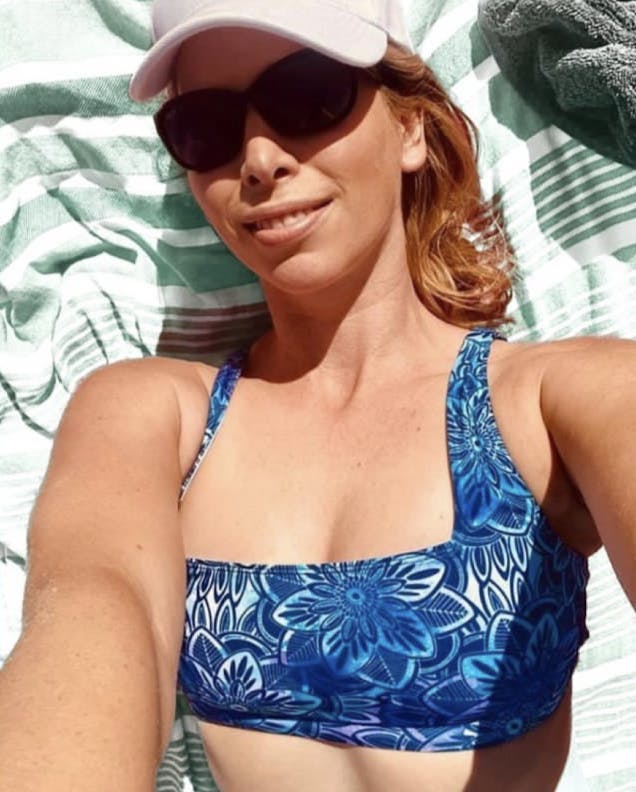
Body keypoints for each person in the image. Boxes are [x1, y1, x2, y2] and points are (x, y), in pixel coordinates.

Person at [0, 1, 634, 790]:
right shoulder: (150, 413)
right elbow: (92, 605)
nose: (259, 159)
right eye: (206, 127)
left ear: (410, 127)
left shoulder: (555, 399)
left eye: (308, 96)